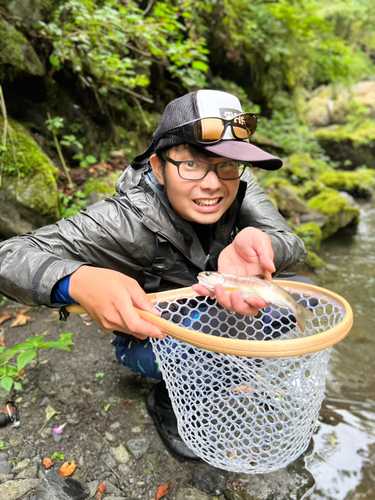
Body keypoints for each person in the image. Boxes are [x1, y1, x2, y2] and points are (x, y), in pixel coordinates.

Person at [0, 89, 307, 460]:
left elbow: (293, 245)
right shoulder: (122, 219)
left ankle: (226, 370)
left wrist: (264, 244)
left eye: (226, 164)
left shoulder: (238, 186)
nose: (213, 184)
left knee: (291, 304)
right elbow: (10, 254)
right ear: (159, 167)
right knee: (204, 355)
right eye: (192, 164)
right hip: (152, 336)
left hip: (218, 308)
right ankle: (168, 397)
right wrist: (77, 281)